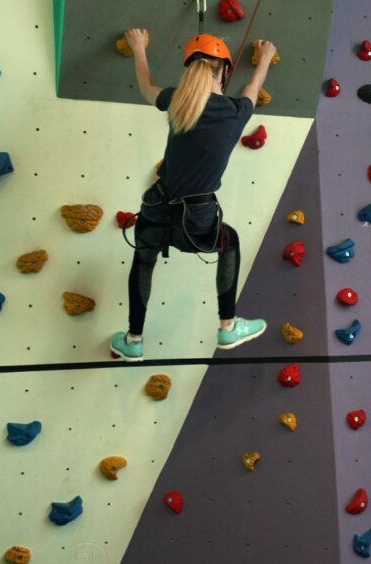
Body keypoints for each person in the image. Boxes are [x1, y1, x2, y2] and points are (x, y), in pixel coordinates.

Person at [109, 28, 277, 361]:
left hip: (157, 205)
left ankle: (134, 339)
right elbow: (252, 88)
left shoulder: (177, 100)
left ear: (189, 70)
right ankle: (227, 326)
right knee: (228, 240)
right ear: (224, 72)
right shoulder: (235, 111)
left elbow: (146, 87)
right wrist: (266, 58)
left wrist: (139, 46)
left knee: (144, 261)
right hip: (196, 218)